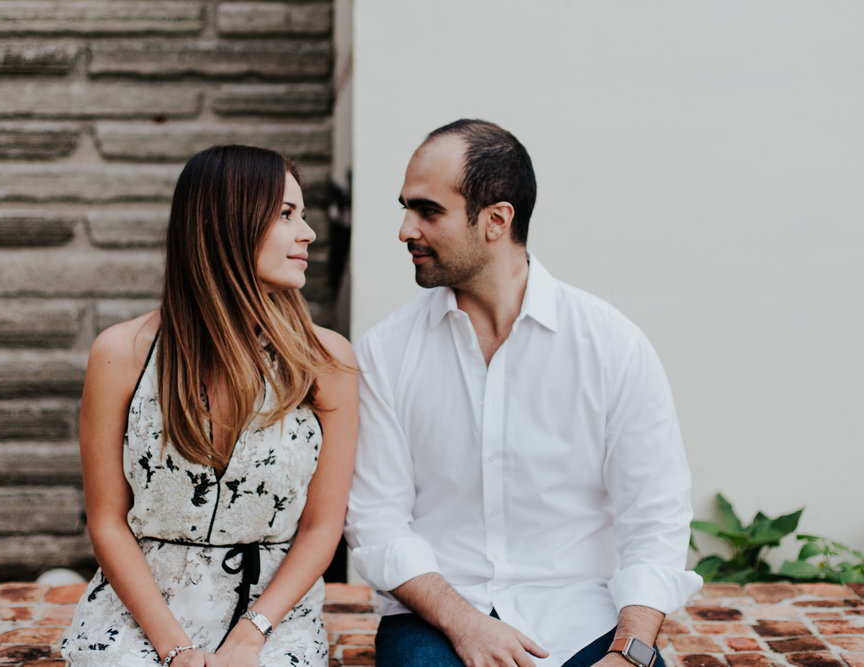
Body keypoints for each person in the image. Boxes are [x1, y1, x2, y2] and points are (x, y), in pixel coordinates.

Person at [344, 119, 702, 667]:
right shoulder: (385, 352)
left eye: (427, 211)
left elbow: (655, 515)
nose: (404, 230)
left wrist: (629, 652)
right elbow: (376, 520)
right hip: (435, 621)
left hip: (585, 617)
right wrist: (465, 623)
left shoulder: (612, 346)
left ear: (496, 220)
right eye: (405, 208)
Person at [62, 145, 358, 667]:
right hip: (139, 615)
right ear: (229, 225)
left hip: (273, 617)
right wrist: (174, 648)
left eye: (303, 215)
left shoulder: (326, 360)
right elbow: (107, 521)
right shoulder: (122, 354)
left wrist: (252, 634)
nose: (308, 233)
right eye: (287, 215)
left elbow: (321, 528)